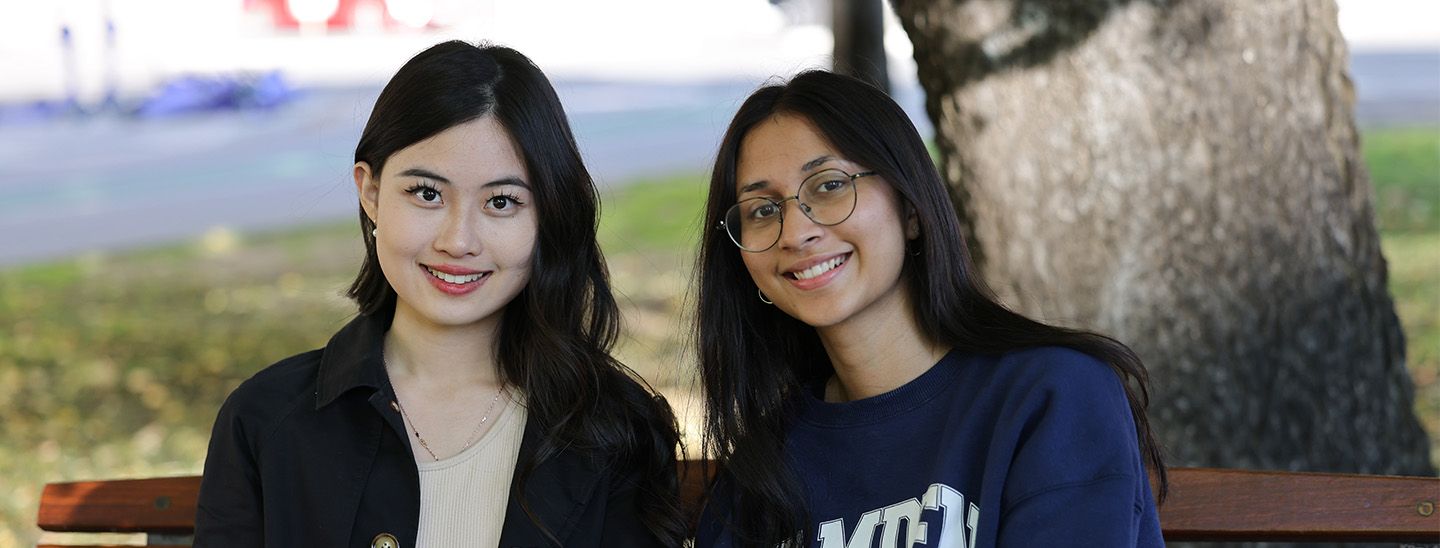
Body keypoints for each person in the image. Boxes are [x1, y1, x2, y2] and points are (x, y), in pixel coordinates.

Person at [194, 41, 684, 547]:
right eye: (427, 193)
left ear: (547, 214)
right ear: (371, 192)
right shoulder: (265, 419)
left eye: (501, 201)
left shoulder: (617, 431)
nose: (458, 241)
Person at [692, 70, 1167, 547]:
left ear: (912, 209)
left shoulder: (1051, 395)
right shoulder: (765, 464)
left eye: (829, 185)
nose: (795, 232)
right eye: (762, 209)